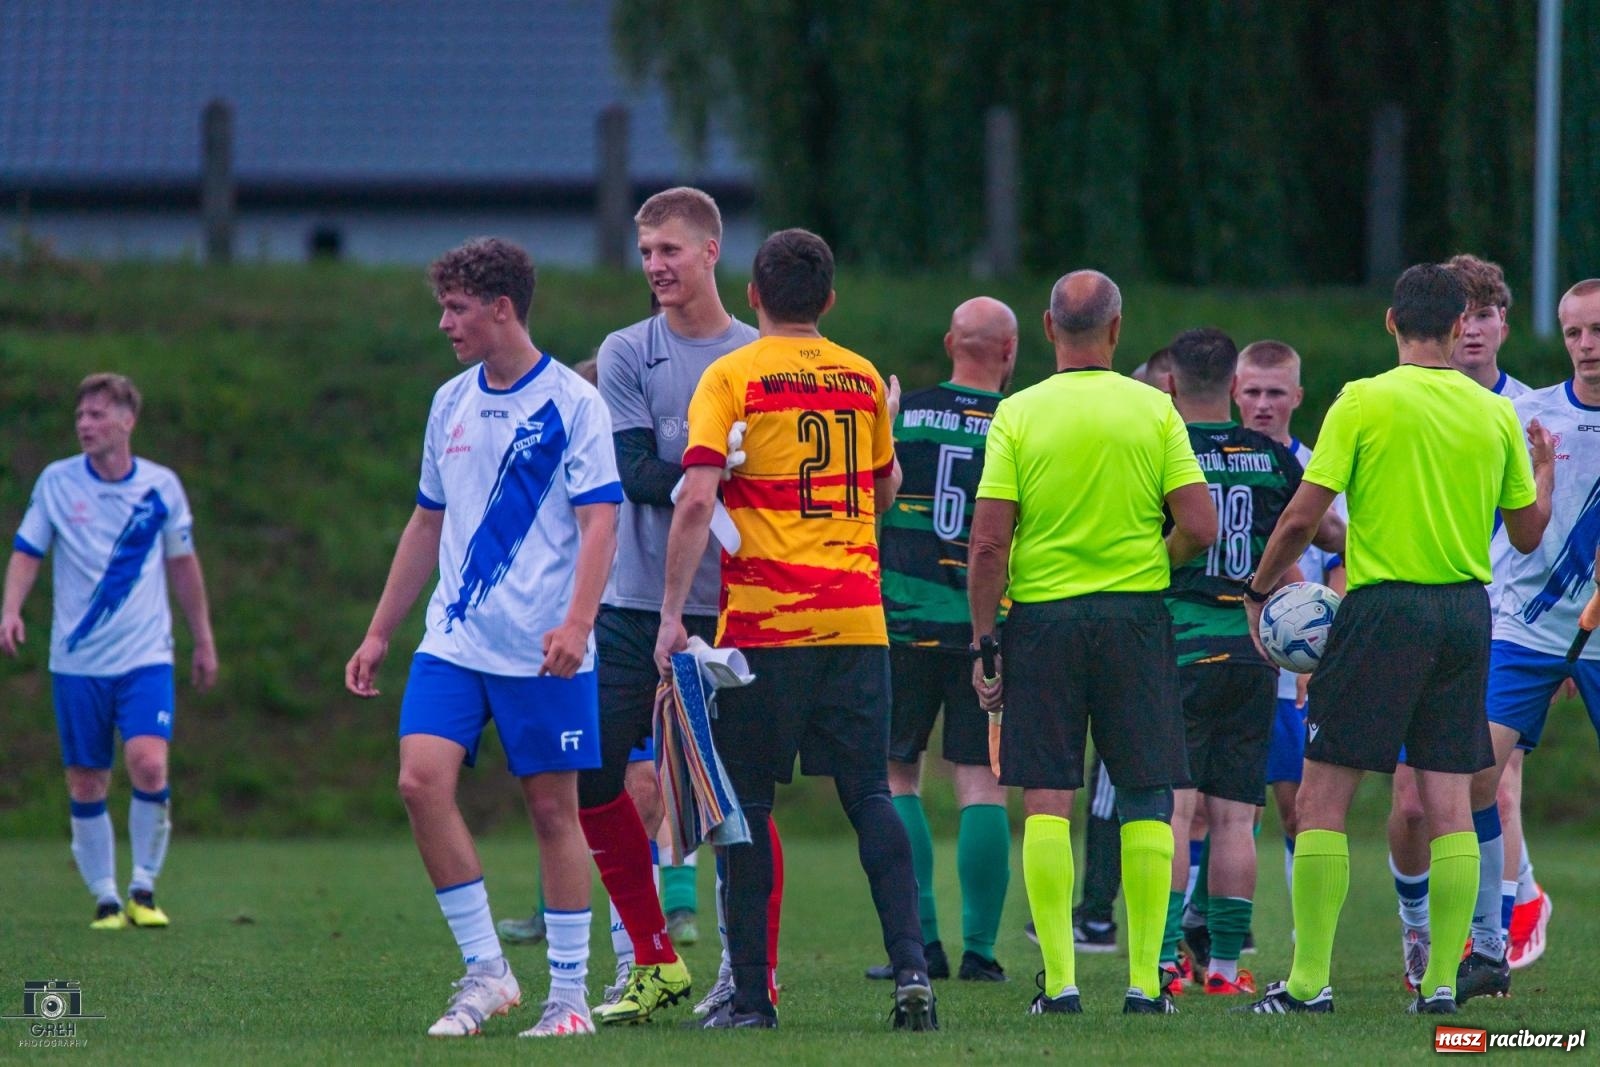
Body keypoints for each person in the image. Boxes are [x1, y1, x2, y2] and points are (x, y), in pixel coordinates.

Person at [1243, 263, 1551, 1016]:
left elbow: (1303, 515)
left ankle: (1310, 982)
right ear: (1456, 328)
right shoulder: (1491, 413)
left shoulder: (1364, 400)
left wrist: (1260, 589)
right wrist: (1541, 475)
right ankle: (1443, 982)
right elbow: (1526, 531)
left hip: (1382, 611)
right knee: (1450, 801)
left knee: (1321, 799)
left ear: (1391, 323)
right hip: (1464, 615)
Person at [655, 227, 936, 1031]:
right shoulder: (856, 376)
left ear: (752, 295)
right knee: (871, 795)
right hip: (856, 620)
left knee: (746, 803)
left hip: (766, 627)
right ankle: (912, 971)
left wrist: (673, 616)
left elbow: (697, 497)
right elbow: (881, 498)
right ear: (830, 300)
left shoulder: (732, 373)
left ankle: (750, 998)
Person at [344, 237, 621, 1038]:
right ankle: (488, 969)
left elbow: (601, 519)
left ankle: (567, 999)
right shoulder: (449, 401)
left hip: (546, 647)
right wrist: (379, 631)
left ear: (503, 308)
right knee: (419, 781)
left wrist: (577, 621)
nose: (444, 323)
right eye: (444, 306)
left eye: (457, 307)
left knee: (551, 812)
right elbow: (427, 520)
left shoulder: (574, 403)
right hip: (454, 641)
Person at [969, 269, 1216, 1015]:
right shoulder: (1155, 409)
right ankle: (1145, 984)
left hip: (1043, 618)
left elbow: (987, 545)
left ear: (1047, 329)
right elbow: (1202, 526)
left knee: (1047, 796)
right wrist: (1153, 559)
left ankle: (1064, 982)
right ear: (1117, 329)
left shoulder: (1016, 413)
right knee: (1147, 794)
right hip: (1134, 616)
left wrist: (986, 640)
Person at [1157, 329, 1343, 998]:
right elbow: (1322, 531)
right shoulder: (1271, 456)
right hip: (1255, 650)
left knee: (1175, 809)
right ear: (1233, 388)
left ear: (1173, 385)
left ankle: (1160, 963)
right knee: (1237, 814)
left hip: (1178, 646)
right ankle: (1226, 969)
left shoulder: (1164, 448)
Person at [2, 373, 217, 930]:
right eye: (80, 415)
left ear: (127, 421)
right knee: (87, 780)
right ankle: (104, 896)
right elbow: (28, 551)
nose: (84, 424)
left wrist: (203, 639)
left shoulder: (161, 488)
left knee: (148, 764)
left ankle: (143, 886)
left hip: (146, 655)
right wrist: (10, 609)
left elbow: (183, 565)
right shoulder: (57, 482)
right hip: (77, 662)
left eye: (97, 414)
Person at [1385, 253, 1545, 993]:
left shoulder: (1530, 413)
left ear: (1501, 325)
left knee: (1492, 784)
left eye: (1487, 315)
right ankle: (1422, 923)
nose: (1474, 328)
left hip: (1507, 627)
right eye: (1465, 314)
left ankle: (1488, 943)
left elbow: (1544, 532)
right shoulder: (1403, 402)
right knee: (1413, 800)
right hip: (1424, 618)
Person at [1455, 277, 1600, 1001]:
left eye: (1597, 330)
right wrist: (1543, 474)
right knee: (1480, 777)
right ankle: (1487, 946)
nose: (1587, 345)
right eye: (1575, 333)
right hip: (1526, 630)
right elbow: (1521, 527)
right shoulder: (1528, 415)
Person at [865, 296, 1018, 985]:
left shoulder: (903, 413)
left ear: (950, 339)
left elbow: (870, 501)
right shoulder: (1021, 421)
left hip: (899, 618)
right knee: (981, 782)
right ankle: (982, 952)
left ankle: (921, 942)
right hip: (988, 625)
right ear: (1011, 354)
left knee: (898, 774)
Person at [1233, 341, 1347, 908]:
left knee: (1296, 805)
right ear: (1234, 392)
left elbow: (1345, 559)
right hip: (1225, 655)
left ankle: (1306, 935)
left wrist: (1325, 650)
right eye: (1251, 391)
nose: (1262, 405)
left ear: (1297, 397)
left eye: (1275, 393)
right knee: (1213, 804)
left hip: (1295, 672)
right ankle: (1210, 939)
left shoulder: (1320, 470)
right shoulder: (1207, 464)